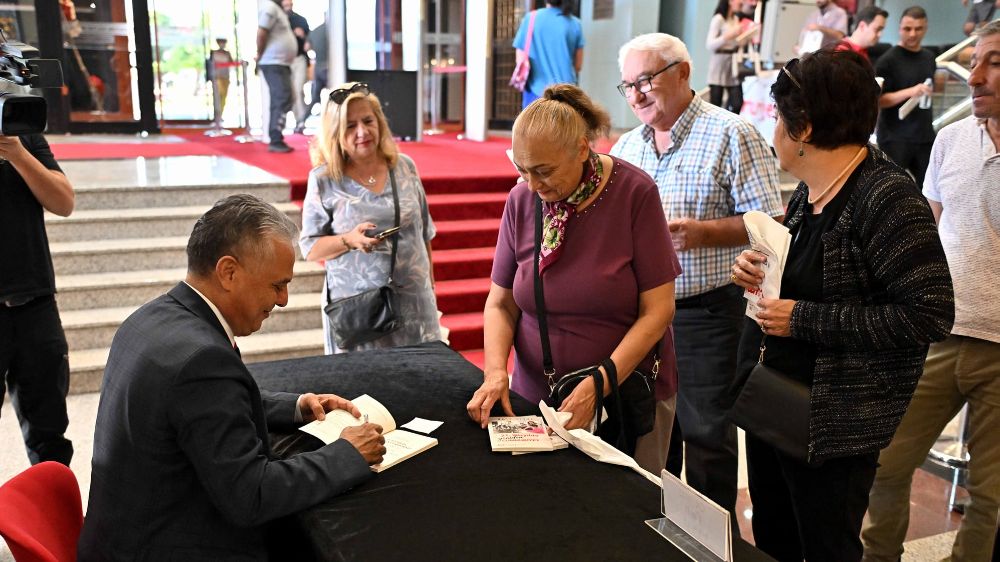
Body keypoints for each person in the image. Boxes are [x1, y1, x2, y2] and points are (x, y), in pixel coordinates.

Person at [730, 50, 954, 561]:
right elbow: (811, 276)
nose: (773, 131)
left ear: (803, 128)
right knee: (775, 538)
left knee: (827, 545)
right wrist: (761, 268)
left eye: (779, 119)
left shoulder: (887, 198)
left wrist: (803, 319)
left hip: (835, 423)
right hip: (777, 401)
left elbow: (930, 313)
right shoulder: (810, 192)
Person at [78, 194, 386, 561]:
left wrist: (297, 406)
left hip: (122, 535)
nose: (284, 300)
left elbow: (193, 406)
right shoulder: (203, 361)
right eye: (276, 285)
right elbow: (251, 496)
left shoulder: (150, 317)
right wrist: (346, 455)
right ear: (228, 272)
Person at [610, 32, 783, 520]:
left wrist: (703, 234)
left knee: (707, 436)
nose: (638, 94)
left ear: (683, 73)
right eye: (628, 85)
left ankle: (710, 541)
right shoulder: (627, 146)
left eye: (646, 80)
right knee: (653, 432)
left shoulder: (732, 133)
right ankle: (659, 533)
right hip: (643, 318)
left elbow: (772, 223)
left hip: (707, 314)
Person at [465, 84, 681, 472]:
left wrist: (600, 383)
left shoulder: (635, 194)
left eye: (544, 171)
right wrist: (496, 370)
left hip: (624, 394)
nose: (532, 184)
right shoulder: (522, 201)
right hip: (538, 396)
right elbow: (501, 302)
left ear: (582, 149)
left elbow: (658, 310)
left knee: (625, 517)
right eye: (522, 169)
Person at [862, 20, 1000, 562]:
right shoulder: (951, 138)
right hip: (936, 337)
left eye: (994, 62)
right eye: (976, 60)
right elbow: (929, 233)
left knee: (989, 494)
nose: (975, 74)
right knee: (886, 465)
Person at [300, 82, 441, 354]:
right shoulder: (324, 180)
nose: (362, 132)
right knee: (362, 392)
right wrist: (348, 240)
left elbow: (424, 235)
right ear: (335, 133)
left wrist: (430, 289)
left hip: (415, 306)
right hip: (360, 313)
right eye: (350, 126)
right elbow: (310, 247)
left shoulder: (405, 167)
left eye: (368, 120)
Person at [0, 130, 75, 468]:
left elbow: (63, 201)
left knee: (51, 435)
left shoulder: (21, 132)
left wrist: (17, 154)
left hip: (36, 304)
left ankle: (56, 518)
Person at [875, 6, 936, 187]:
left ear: (925, 28)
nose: (912, 34)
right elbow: (879, 100)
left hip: (924, 135)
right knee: (893, 188)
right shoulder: (887, 60)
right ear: (900, 28)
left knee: (929, 189)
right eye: (907, 29)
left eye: (918, 29)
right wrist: (910, 92)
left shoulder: (928, 57)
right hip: (895, 136)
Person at [512, 0, 584, 108]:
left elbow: (520, 58)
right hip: (568, 94)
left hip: (535, 92)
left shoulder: (531, 18)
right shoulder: (575, 23)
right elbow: (578, 66)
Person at [256, 0, 297, 153]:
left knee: (284, 98)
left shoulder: (277, 10)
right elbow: (261, 32)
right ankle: (275, 138)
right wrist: (260, 54)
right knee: (281, 98)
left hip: (281, 64)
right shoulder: (270, 7)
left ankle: (276, 136)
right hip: (274, 63)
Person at [706, 0, 754, 114]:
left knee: (737, 101)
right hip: (719, 64)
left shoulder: (735, 20)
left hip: (732, 64)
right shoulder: (718, 19)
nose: (741, 2)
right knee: (715, 102)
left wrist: (746, 37)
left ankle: (728, 121)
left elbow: (736, 43)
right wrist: (727, 36)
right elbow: (709, 44)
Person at [282, 0, 310, 134]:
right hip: (285, 61)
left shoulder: (300, 20)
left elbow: (309, 41)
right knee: (293, 93)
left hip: (299, 59)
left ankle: (301, 121)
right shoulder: (279, 21)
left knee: (298, 91)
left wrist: (303, 36)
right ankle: (298, 120)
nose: (288, 8)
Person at [304, 17, 329, 127]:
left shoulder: (315, 32)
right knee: (338, 96)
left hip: (318, 69)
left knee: (314, 98)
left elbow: (306, 48)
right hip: (330, 68)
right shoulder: (333, 31)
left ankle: (301, 123)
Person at [206, 37, 234, 118]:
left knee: (223, 96)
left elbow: (231, 63)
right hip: (216, 77)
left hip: (225, 77)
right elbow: (210, 65)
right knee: (217, 96)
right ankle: (216, 115)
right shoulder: (213, 52)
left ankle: (220, 115)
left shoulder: (227, 53)